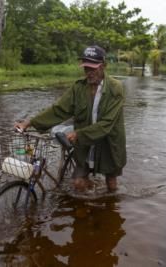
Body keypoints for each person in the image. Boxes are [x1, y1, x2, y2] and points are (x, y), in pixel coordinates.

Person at [15, 45, 126, 192]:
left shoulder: (115, 88)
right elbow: (59, 109)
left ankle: (109, 209)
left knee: (111, 183)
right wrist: (29, 123)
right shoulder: (78, 87)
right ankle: (88, 200)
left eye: (93, 68)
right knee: (78, 183)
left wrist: (78, 134)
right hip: (84, 144)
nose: (89, 72)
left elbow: (107, 123)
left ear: (104, 66)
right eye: (86, 68)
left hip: (108, 143)